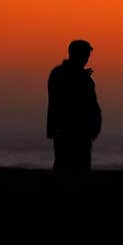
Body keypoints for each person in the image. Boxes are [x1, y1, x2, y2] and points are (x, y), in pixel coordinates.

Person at [47, 40, 102, 172]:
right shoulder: (61, 75)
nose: (87, 60)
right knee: (66, 167)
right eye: (85, 56)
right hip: (67, 131)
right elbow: (61, 100)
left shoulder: (83, 78)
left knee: (80, 168)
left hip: (81, 132)